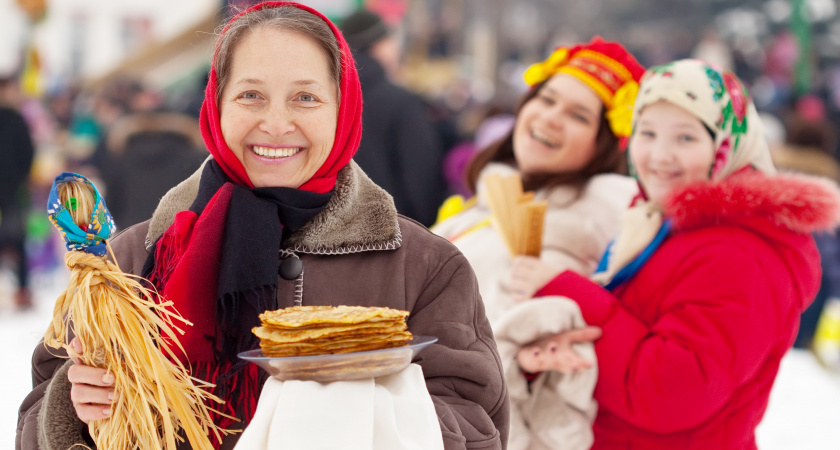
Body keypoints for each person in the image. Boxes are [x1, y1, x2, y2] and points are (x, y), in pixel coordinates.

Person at [16, 3, 508, 450]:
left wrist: (362, 418)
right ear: (217, 105)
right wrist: (77, 410)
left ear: (344, 110)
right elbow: (39, 415)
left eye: (306, 98)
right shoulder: (127, 261)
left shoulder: (425, 266)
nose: (276, 123)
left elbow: (477, 420)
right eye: (251, 95)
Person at [524, 59, 840, 449]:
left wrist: (570, 293)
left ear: (726, 147)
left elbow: (671, 393)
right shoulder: (665, 224)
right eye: (648, 132)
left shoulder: (738, 253)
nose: (659, 155)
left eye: (686, 138)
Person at [432, 38, 643, 450]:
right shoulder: (491, 202)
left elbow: (547, 380)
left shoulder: (577, 230)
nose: (550, 118)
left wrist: (524, 364)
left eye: (578, 115)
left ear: (602, 143)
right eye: (546, 99)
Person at [339, 8, 447, 227]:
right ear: (377, 45)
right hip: (392, 234)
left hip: (331, 232)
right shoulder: (400, 102)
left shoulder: (324, 97)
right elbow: (420, 178)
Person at [0, 76, 36, 310]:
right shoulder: (15, 119)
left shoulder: (16, 118)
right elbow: (28, 152)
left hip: (12, 190)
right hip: (13, 190)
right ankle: (22, 291)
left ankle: (22, 290)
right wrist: (22, 177)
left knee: (19, 239)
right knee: (18, 239)